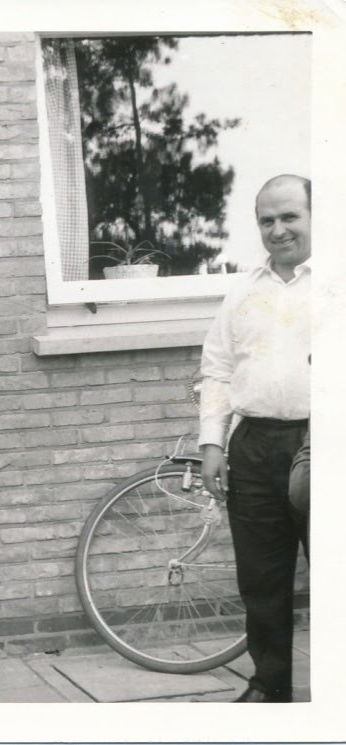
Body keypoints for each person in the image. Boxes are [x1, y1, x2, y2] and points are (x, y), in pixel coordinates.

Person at [199, 174, 311, 703]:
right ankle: (269, 685)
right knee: (261, 580)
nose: (278, 229)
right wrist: (212, 445)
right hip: (254, 445)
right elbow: (217, 369)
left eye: (290, 216)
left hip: (323, 443)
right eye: (267, 220)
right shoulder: (243, 292)